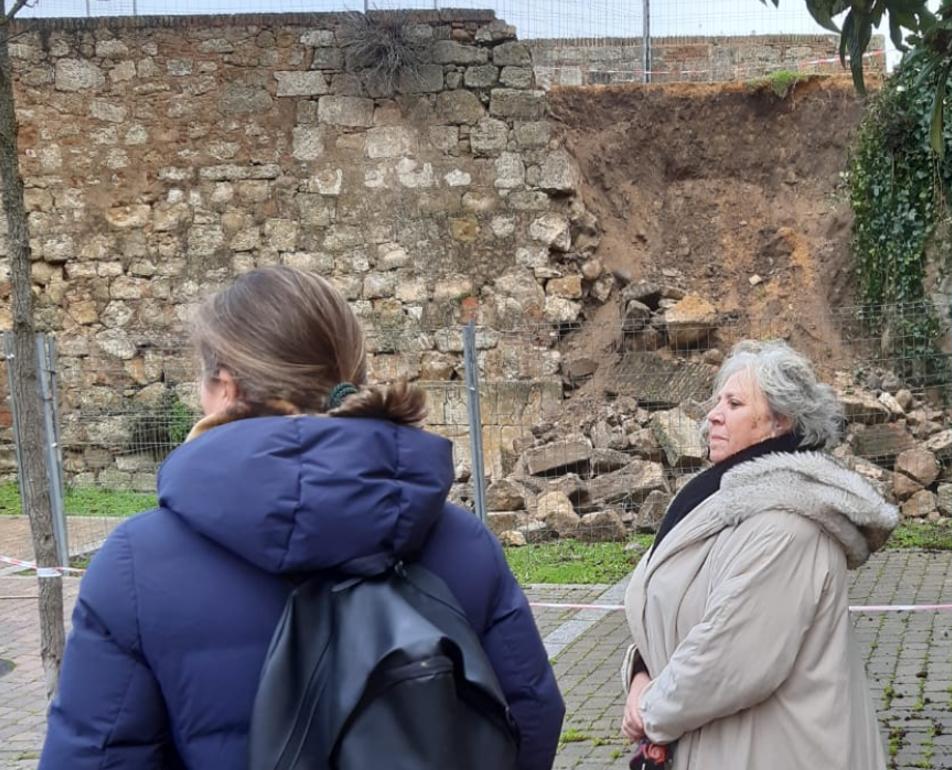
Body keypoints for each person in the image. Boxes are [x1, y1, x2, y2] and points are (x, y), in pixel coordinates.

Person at [40, 266, 564, 770]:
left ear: (224, 387)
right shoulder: (462, 541)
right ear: (351, 373)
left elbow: (96, 753)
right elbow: (531, 715)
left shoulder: (135, 564)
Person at [619, 339, 898, 770]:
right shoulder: (718, 497)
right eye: (716, 401)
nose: (713, 414)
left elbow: (730, 657)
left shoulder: (788, 526)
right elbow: (667, 599)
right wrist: (641, 673)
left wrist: (650, 711)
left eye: (733, 403)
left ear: (779, 421)